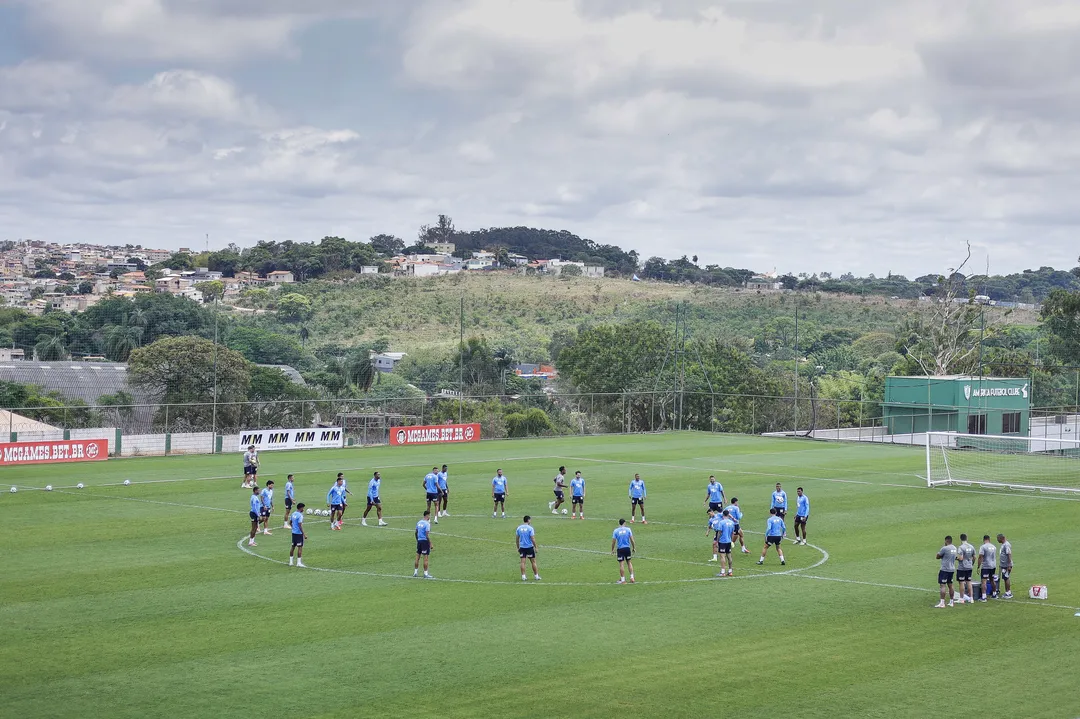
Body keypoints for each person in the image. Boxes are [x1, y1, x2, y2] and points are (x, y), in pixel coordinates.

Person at [611, 518, 636, 584]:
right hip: (627, 548)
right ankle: (632, 577)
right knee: (629, 562)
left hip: (620, 549)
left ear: (619, 523)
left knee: (621, 564)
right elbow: (632, 540)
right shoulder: (628, 529)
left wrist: (612, 549)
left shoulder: (616, 531)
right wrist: (633, 547)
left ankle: (623, 580)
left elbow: (613, 541)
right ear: (624, 523)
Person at [935, 535, 957, 608]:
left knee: (942, 585)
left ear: (946, 541)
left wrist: (941, 556)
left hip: (945, 569)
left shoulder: (945, 548)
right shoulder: (954, 548)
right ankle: (951, 602)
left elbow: (937, 556)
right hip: (951, 569)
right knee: (950, 585)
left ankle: (942, 602)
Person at [516, 515, 540, 581]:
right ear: (528, 520)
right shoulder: (530, 528)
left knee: (522, 562)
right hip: (529, 547)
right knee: (533, 562)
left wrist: (518, 547)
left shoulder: (519, 528)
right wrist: (536, 547)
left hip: (522, 547)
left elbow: (517, 539)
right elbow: (532, 538)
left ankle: (523, 576)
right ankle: (536, 576)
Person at [715, 510, 736, 577]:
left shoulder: (721, 522)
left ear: (723, 515)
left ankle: (723, 572)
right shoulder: (731, 522)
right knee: (729, 556)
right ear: (728, 514)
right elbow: (732, 533)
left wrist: (717, 541)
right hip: (728, 541)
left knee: (722, 556)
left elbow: (719, 532)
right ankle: (730, 571)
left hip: (722, 541)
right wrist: (731, 540)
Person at [956, 533, 976, 604]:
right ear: (966, 538)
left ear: (960, 539)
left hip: (962, 567)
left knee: (961, 582)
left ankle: (961, 599)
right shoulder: (971, 546)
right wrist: (972, 563)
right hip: (969, 566)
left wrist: (956, 558)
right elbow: (974, 557)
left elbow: (960, 558)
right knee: (969, 582)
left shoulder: (961, 547)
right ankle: (971, 598)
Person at [977, 534, 997, 602]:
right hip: (993, 566)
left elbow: (980, 557)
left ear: (983, 540)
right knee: (992, 580)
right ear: (989, 539)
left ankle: (984, 597)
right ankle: (994, 594)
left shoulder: (983, 547)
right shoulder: (994, 547)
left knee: (984, 581)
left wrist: (978, 566)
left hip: (986, 566)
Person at [414, 510, 434, 578]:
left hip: (419, 541)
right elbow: (427, 535)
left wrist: (417, 539)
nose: (430, 517)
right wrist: (430, 543)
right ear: (427, 515)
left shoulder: (419, 522)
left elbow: (416, 532)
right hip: (425, 542)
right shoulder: (427, 524)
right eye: (430, 515)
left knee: (417, 557)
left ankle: (415, 572)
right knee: (425, 558)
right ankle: (425, 574)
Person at [288, 502, 307, 567]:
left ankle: (291, 562)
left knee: (293, 547)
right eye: (303, 508)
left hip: (293, 533)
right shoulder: (300, 515)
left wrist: (293, 528)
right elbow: (300, 525)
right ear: (301, 508)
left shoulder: (293, 514)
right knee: (300, 548)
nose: (303, 509)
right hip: (298, 534)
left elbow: (290, 522)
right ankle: (298, 563)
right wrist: (304, 534)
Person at [997, 534, 1013, 599]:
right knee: (1005, 578)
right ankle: (1007, 592)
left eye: (998, 538)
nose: (997, 540)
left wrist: (1009, 565)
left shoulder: (1006, 545)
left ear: (1002, 538)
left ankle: (1008, 593)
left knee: (1006, 578)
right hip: (1004, 565)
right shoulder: (1004, 545)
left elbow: (1009, 554)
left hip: (1006, 565)